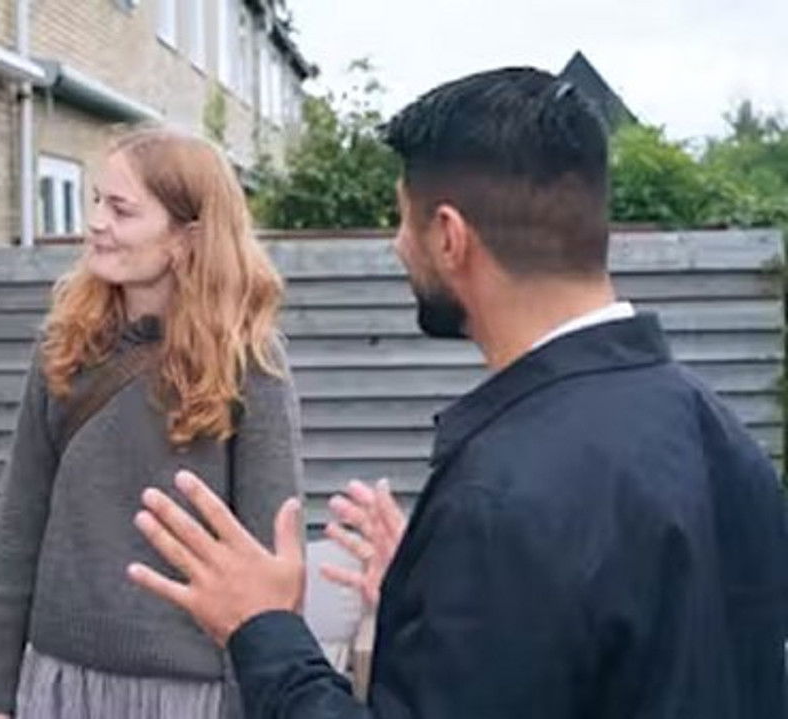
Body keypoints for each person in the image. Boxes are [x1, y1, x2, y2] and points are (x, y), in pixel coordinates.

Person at [128, 67, 788, 718]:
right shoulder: (721, 435)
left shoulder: (503, 499)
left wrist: (264, 629)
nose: (397, 245)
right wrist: (434, 599)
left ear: (449, 236)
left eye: (402, 220)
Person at [0, 126, 303, 719]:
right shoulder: (63, 347)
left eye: (121, 210)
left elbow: (271, 566)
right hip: (58, 684)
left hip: (191, 697)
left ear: (187, 237)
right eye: (97, 200)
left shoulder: (251, 365)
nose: (96, 221)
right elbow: (19, 525)